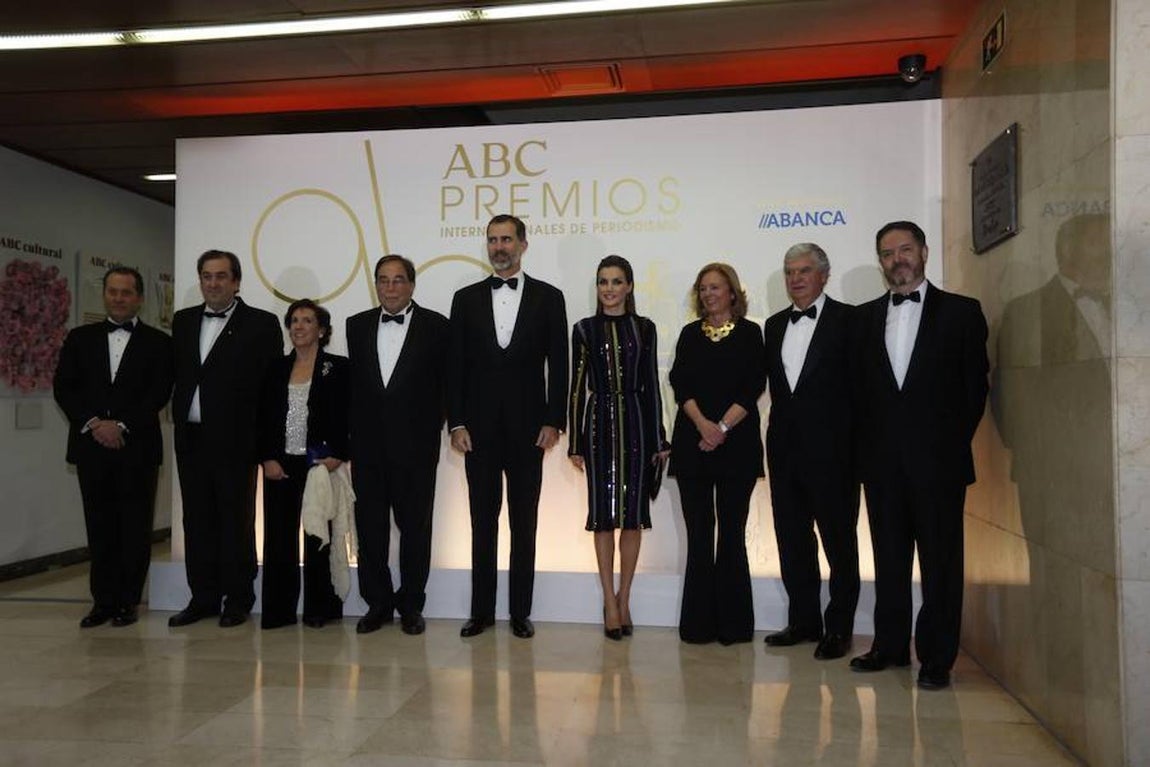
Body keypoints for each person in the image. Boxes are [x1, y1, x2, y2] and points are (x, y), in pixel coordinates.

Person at [849, 221, 988, 690]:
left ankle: (936, 658)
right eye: (888, 253)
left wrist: (946, 446)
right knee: (888, 560)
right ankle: (889, 646)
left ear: (924, 252)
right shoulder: (862, 320)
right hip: (881, 467)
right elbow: (856, 397)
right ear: (880, 262)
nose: (897, 260)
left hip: (939, 466)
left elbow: (974, 390)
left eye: (905, 249)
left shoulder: (962, 313)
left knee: (941, 565)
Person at [448, 214, 568, 639]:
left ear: (523, 245)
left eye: (506, 239)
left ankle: (520, 612)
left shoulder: (549, 297)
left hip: (529, 430)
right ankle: (481, 612)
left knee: (524, 522)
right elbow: (455, 366)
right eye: (493, 240)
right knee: (482, 522)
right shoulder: (465, 299)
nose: (499, 247)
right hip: (477, 432)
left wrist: (554, 420)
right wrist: (456, 422)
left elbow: (560, 364)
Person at [53, 266, 173, 628]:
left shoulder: (160, 342)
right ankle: (102, 602)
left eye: (126, 292)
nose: (119, 298)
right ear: (104, 294)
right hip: (91, 447)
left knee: (135, 527)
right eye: (113, 291)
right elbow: (64, 387)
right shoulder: (79, 338)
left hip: (137, 447)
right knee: (99, 526)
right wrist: (95, 424)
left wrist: (120, 425)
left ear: (139, 298)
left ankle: (127, 601)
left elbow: (158, 392)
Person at [170, 249, 282, 628]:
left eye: (221, 276)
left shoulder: (261, 324)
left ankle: (238, 597)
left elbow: (270, 390)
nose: (213, 283)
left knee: (236, 520)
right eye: (207, 276)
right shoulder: (183, 321)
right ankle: (202, 597)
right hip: (191, 438)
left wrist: (265, 443)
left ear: (236, 281)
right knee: (196, 519)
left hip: (236, 441)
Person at [762, 243, 860, 659]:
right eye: (789, 272)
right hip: (785, 450)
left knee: (840, 543)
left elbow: (861, 389)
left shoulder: (850, 320)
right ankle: (803, 621)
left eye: (803, 271)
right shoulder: (773, 325)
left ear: (824, 274)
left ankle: (839, 629)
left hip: (835, 452)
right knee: (792, 540)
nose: (795, 279)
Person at [346, 255, 449, 636]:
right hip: (367, 448)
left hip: (417, 449)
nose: (390, 288)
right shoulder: (356, 325)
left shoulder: (437, 326)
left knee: (416, 530)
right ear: (376, 285)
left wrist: (431, 428)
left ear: (411, 285)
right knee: (370, 530)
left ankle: (411, 605)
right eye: (383, 280)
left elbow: (446, 386)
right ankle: (377, 604)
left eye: (398, 280)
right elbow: (356, 388)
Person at [568, 255, 668, 640]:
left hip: (637, 424)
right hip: (598, 426)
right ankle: (608, 603)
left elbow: (651, 384)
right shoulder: (583, 329)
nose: (608, 289)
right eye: (602, 282)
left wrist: (659, 438)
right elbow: (577, 389)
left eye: (616, 281)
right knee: (603, 516)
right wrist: (575, 442)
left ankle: (625, 599)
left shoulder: (645, 328)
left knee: (633, 516)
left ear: (629, 286)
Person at [668, 263, 766, 645]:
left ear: (732, 293)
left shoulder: (751, 333)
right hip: (693, 445)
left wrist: (722, 428)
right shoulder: (689, 334)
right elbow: (680, 384)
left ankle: (733, 626)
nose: (708, 294)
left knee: (731, 535)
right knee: (699, 536)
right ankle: (698, 626)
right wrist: (704, 426)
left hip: (737, 448)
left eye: (716, 287)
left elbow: (753, 386)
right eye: (703, 288)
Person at [257, 299, 348, 629]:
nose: (299, 326)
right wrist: (267, 457)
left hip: (318, 466)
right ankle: (279, 612)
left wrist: (339, 453)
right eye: (294, 320)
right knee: (278, 539)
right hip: (280, 466)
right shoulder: (275, 368)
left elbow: (348, 416)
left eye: (307, 320)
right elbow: (262, 418)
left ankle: (319, 610)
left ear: (321, 330)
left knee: (318, 538)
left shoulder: (338, 368)